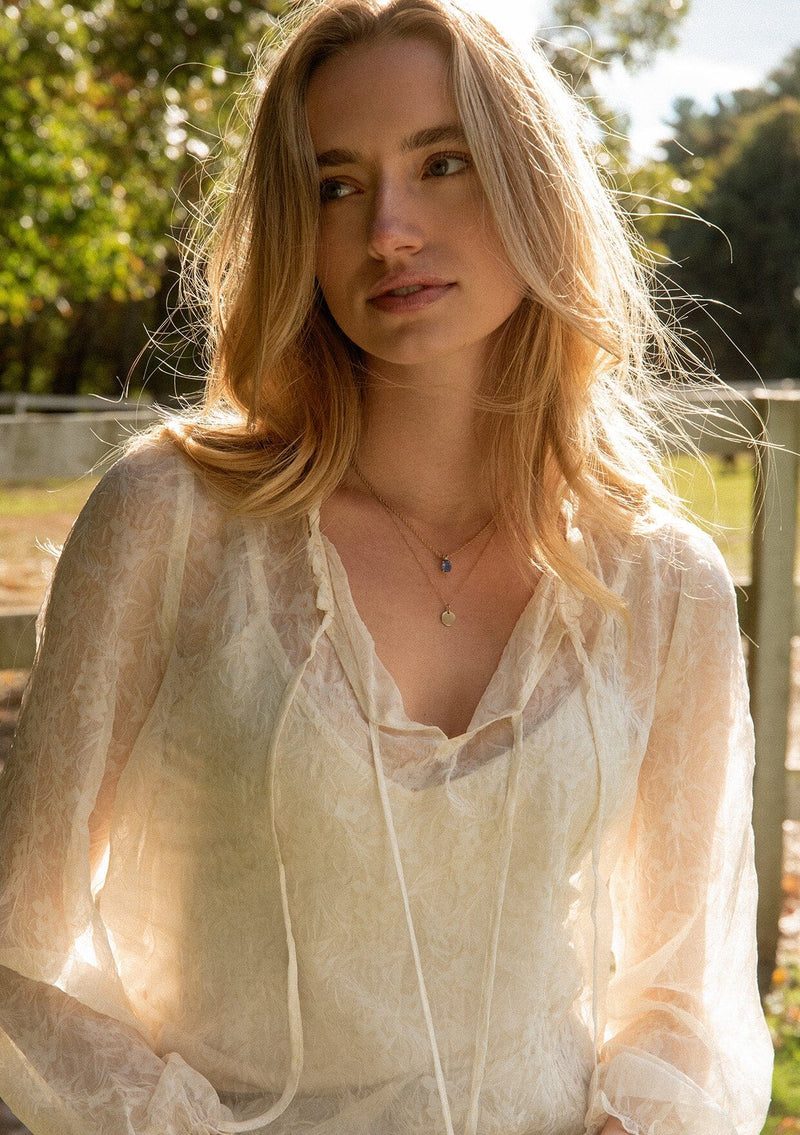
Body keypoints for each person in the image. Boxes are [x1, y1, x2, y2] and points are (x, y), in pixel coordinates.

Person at [0, 0, 774, 1132]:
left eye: (441, 162)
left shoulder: (662, 582)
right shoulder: (170, 525)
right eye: (334, 184)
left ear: (533, 187)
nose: (388, 230)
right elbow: (18, 954)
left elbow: (682, 994)